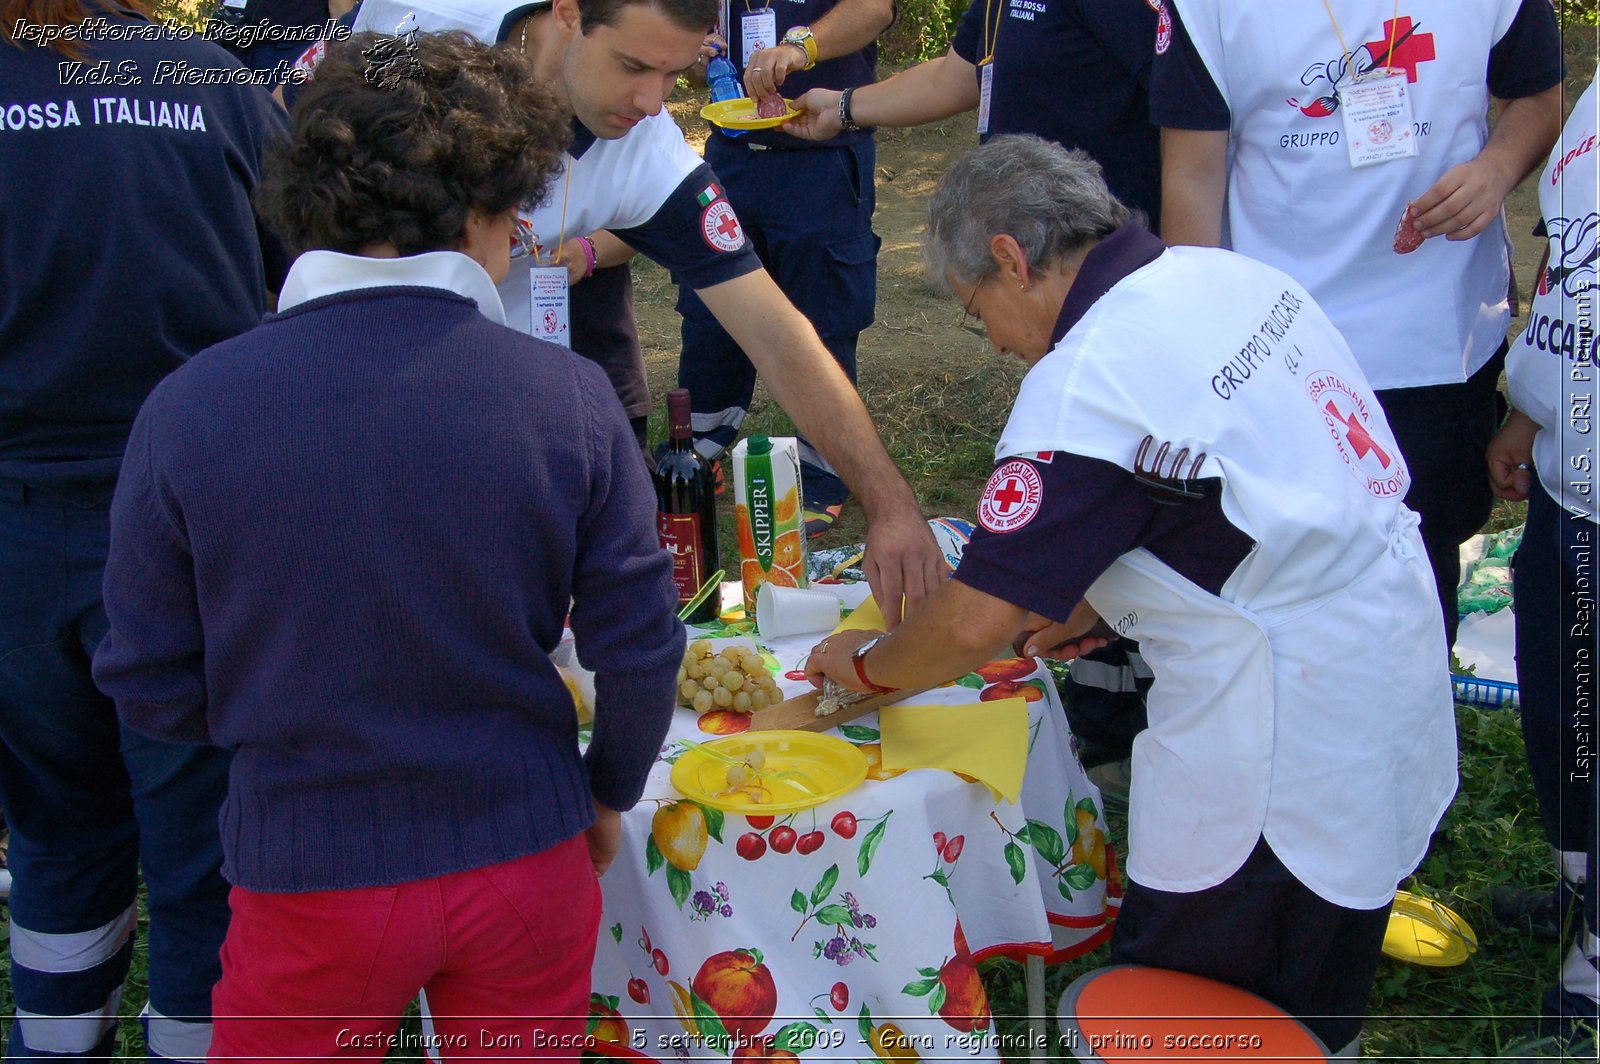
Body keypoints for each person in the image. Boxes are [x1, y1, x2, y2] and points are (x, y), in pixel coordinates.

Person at [92, 31, 684, 1056]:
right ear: (478, 215)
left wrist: (280, 711)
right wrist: (606, 787)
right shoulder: (570, 400)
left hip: (307, 866)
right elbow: (640, 646)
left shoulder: (187, 409)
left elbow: (147, 675)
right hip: (524, 853)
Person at [804, 136, 1457, 1055]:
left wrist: (864, 672)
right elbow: (1242, 490)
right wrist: (1109, 602)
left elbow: (974, 621)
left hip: (1281, 722)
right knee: (1316, 970)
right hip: (1380, 640)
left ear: (1010, 259)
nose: (989, 338)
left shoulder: (1087, 380)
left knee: (1207, 995)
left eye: (974, 310)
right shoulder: (1227, 279)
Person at [317, 0, 941, 623]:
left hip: (512, 400)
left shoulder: (647, 147)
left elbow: (777, 334)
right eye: (633, 65)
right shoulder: (417, 32)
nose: (651, 101)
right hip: (365, 398)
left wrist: (890, 505)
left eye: (673, 76)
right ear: (568, 13)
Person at [0, 0, 287, 1056]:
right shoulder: (211, 79)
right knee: (203, 832)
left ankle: (53, 1039)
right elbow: (311, 265)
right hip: (194, 517)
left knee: (54, 823)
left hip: (20, 533)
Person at [1152, 0, 1563, 649]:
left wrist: (1495, 170)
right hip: (1277, 349)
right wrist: (1205, 351)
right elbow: (1191, 176)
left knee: (1423, 574)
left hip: (1437, 342)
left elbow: (1538, 97)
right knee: (1278, 579)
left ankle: (1422, 740)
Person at [674, 0, 892, 538]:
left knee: (825, 318)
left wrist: (800, 48)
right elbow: (704, 44)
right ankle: (698, 451)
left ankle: (824, 470)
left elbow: (874, 9)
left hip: (821, 149)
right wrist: (699, 55)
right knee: (710, 308)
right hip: (733, 149)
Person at [1485, 65, 1600, 1060]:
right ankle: (1582, 882)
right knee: (1562, 706)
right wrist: (1528, 410)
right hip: (1571, 476)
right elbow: (1573, 268)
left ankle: (1595, 970)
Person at [785, 0, 1162, 224]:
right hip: (1040, 242)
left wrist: (1185, 268)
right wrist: (843, 107)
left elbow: (1183, 116)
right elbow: (956, 77)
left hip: (1110, 239)